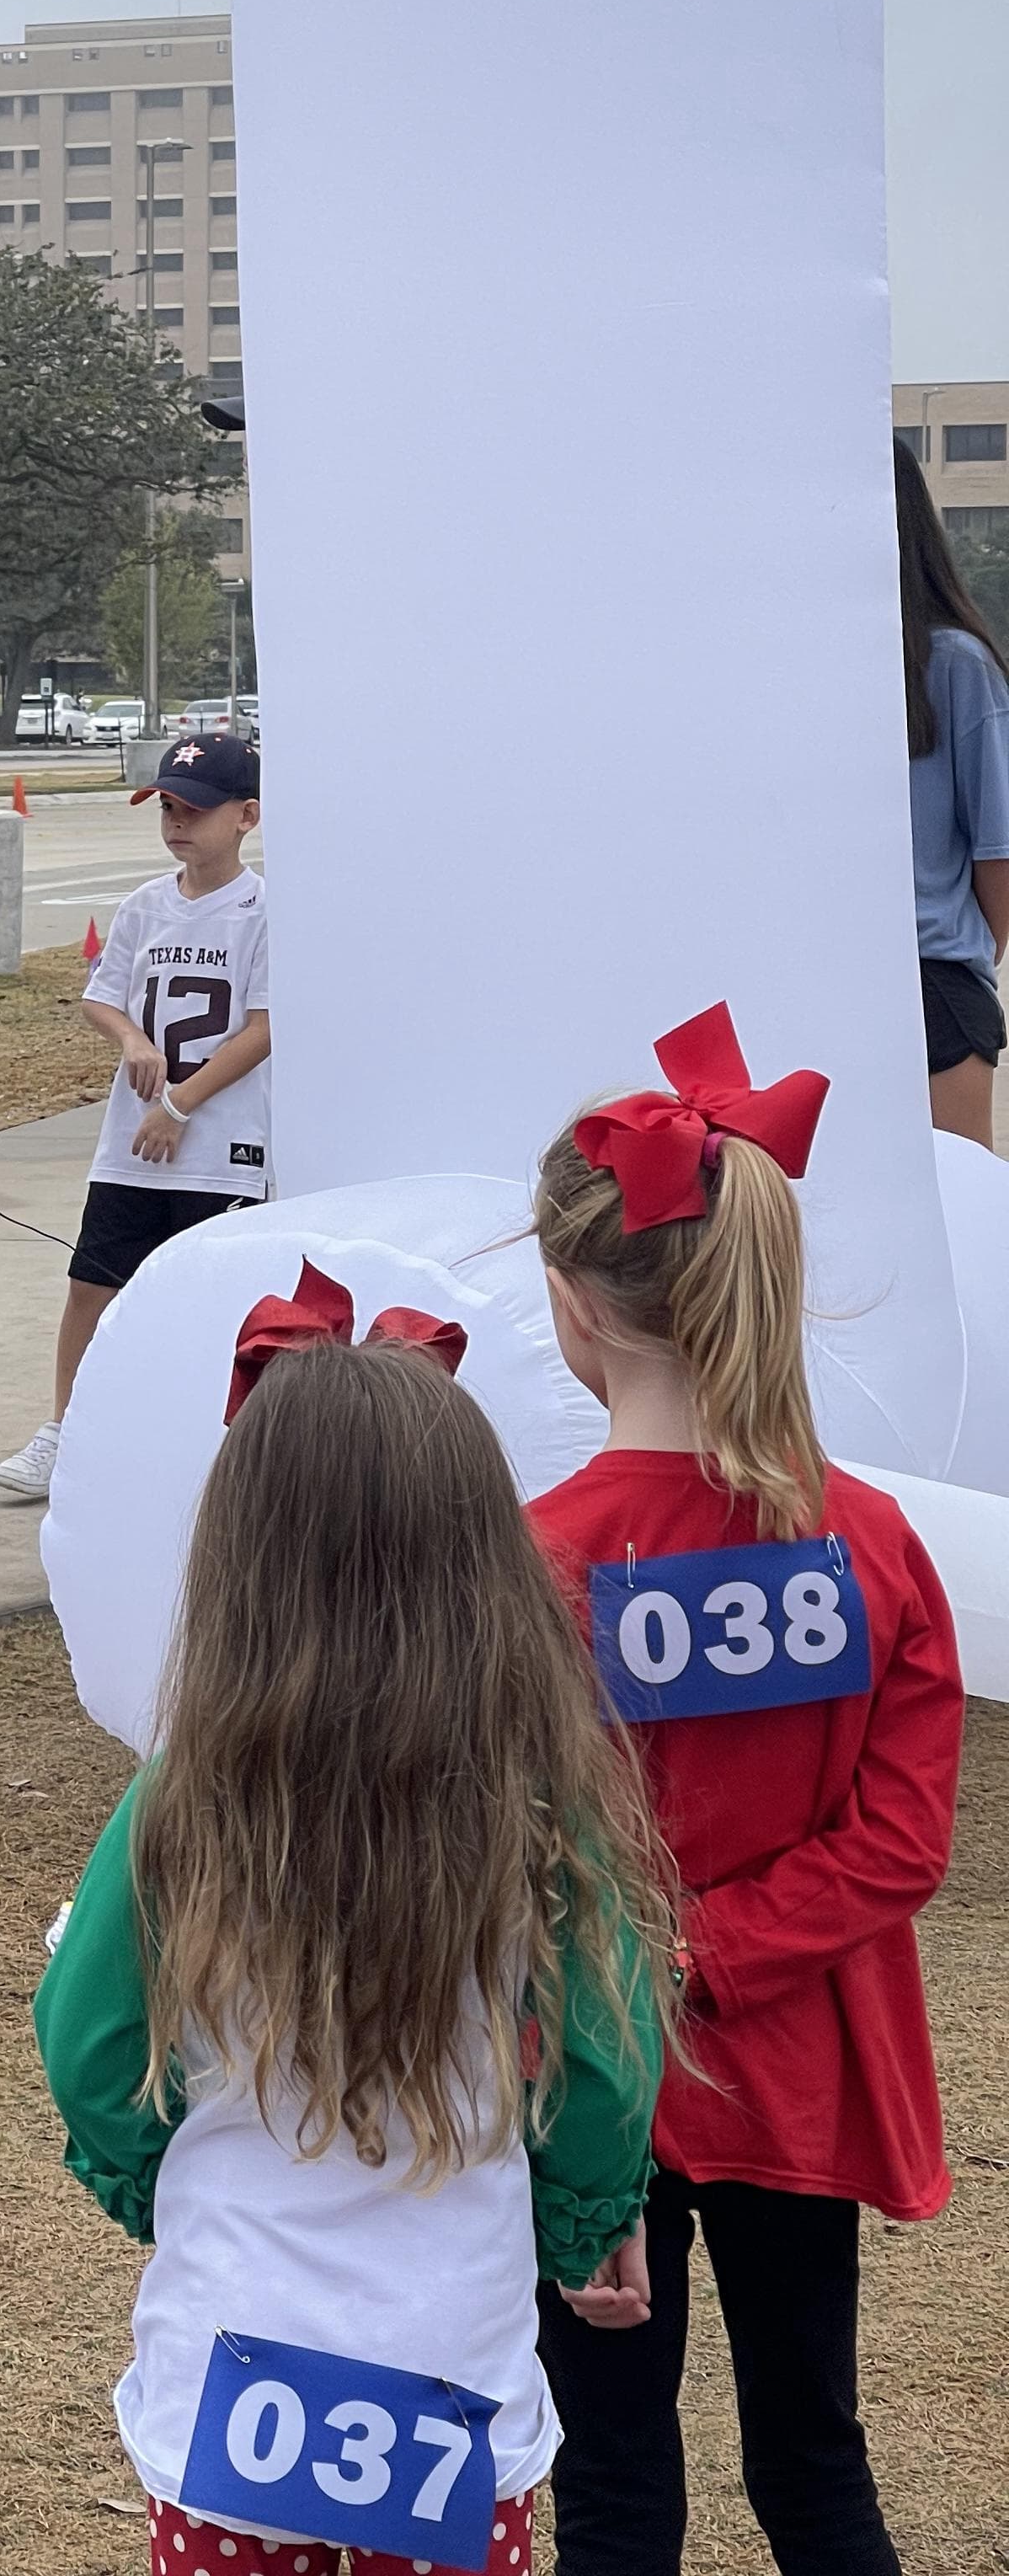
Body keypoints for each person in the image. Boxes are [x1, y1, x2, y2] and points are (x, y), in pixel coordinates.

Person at [36, 1278, 669, 2576]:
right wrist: (574, 2219)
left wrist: (171, 2178)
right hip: (455, 2374)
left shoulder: (180, 1801)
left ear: (242, 1554)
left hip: (230, 2371)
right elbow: (608, 2063)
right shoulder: (544, 1807)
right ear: (481, 1558)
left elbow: (89, 2039)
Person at [526, 1002, 963, 2576]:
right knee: (813, 2462)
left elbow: (499, 1861)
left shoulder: (524, 1561)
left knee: (613, 2489)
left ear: (569, 1304)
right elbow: (896, 1844)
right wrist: (713, 1954)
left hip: (585, 2076)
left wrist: (647, 1963)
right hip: (797, 2070)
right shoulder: (873, 1547)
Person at [0, 730, 268, 1502]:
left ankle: (219, 1448)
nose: (179, 823)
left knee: (215, 1296)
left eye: (197, 810)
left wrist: (181, 1103)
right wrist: (132, 1039)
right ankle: (65, 1432)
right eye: (169, 807)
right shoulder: (145, 906)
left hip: (222, 1145)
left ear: (245, 816)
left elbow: (263, 1028)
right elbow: (100, 998)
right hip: (133, 1144)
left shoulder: (261, 910)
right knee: (94, 1282)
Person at [893, 434, 1009, 1142]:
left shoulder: (950, 663)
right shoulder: (959, 664)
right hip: (935, 974)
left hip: (931, 984)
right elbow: (999, 849)